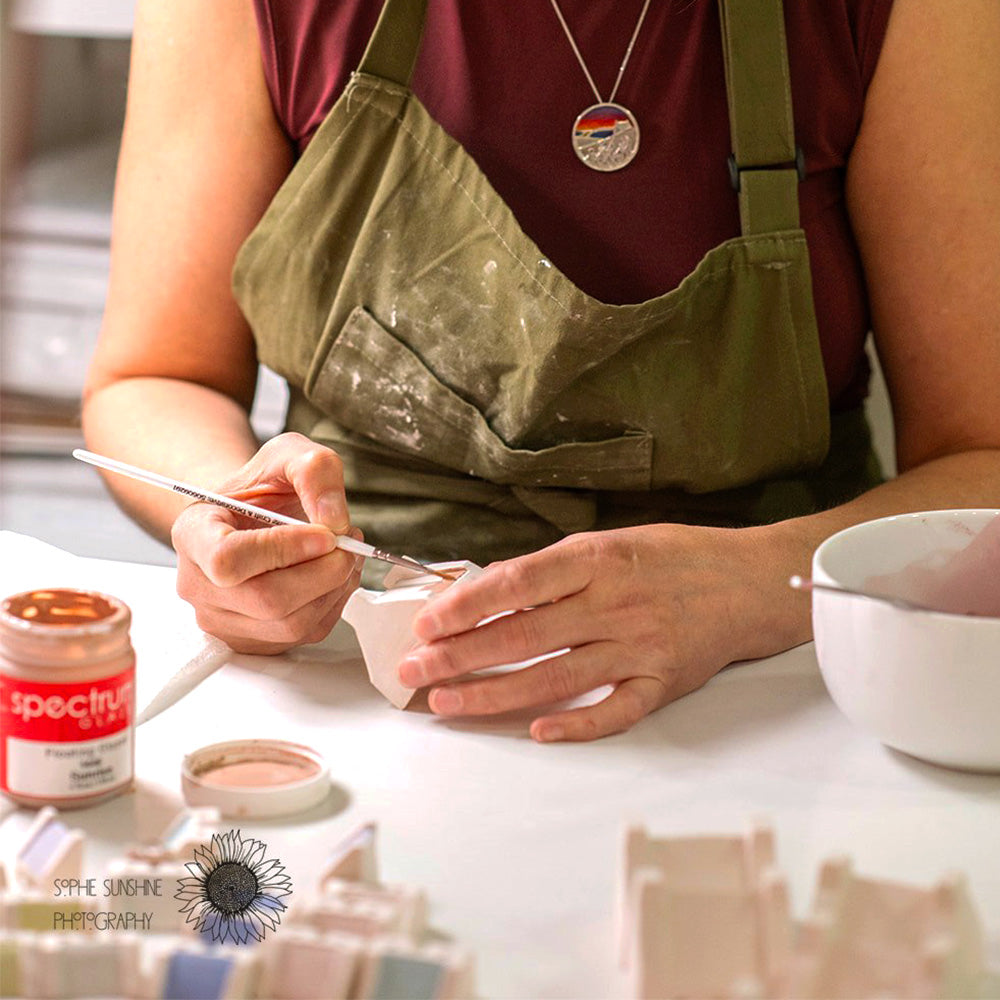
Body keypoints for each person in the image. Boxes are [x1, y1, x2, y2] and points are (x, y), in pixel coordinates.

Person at [83, 0, 1000, 743]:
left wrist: (754, 585)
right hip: (357, 659)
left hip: (777, 668)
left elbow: (982, 457)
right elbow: (155, 379)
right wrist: (232, 518)